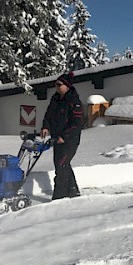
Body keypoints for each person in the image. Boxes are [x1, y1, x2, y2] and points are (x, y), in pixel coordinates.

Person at [41, 72, 83, 200]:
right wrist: (45, 127)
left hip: (70, 139)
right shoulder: (55, 99)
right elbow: (48, 115)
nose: (57, 87)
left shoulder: (74, 101)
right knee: (62, 164)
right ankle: (73, 190)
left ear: (67, 86)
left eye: (59, 85)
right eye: (56, 85)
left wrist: (64, 136)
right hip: (56, 138)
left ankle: (59, 196)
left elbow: (77, 122)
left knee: (61, 165)